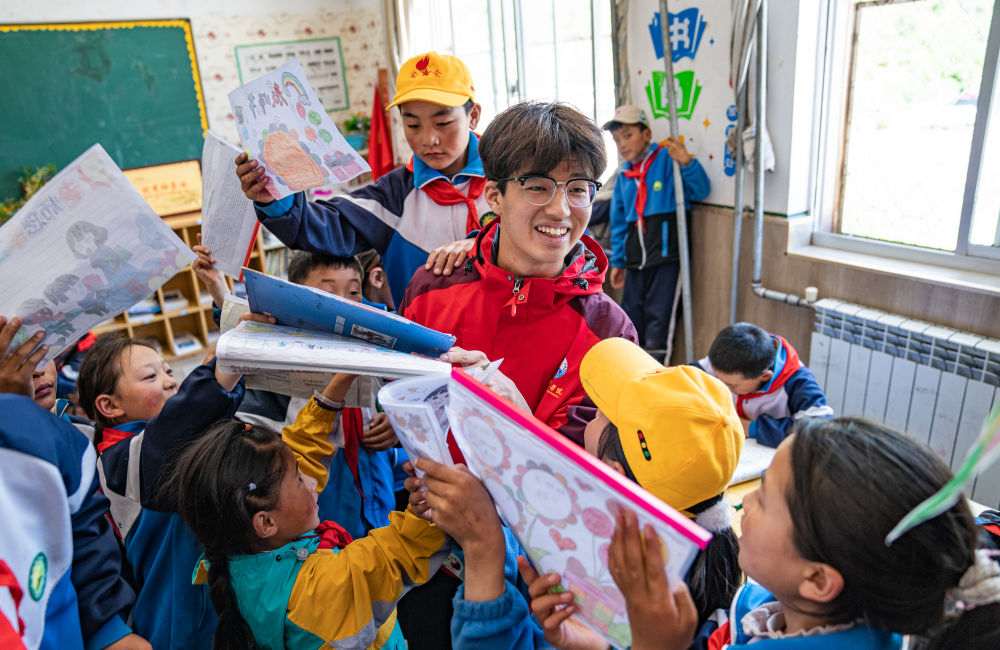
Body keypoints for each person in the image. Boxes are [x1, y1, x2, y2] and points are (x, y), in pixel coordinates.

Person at [404, 337, 745, 649]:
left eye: (600, 414)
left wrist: (482, 545)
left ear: (614, 474)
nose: (589, 416)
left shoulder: (608, 602)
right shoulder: (679, 559)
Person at [608, 417, 1000, 649]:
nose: (745, 503)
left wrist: (654, 645)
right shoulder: (794, 605)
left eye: (764, 498)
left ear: (817, 580)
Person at [400, 101, 638, 447]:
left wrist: (517, 416)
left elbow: (597, 468)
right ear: (495, 197)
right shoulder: (430, 289)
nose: (560, 210)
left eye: (577, 188)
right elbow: (405, 407)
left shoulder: (609, 333)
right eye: (537, 186)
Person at [167, 373, 450, 650]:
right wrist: (427, 505)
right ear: (265, 523)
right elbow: (400, 552)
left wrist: (337, 387)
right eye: (300, 480)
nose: (313, 481)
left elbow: (299, 455)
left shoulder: (244, 551)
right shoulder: (323, 587)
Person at [235, 51, 488, 307]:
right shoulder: (393, 196)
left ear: (473, 116)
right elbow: (319, 226)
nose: (428, 139)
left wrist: (484, 243)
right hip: (428, 332)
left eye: (443, 123)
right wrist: (275, 196)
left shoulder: (504, 181)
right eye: (413, 126)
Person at [193, 244, 403, 541]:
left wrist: (397, 424)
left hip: (376, 491)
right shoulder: (279, 357)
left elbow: (398, 395)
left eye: (354, 292)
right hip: (320, 505)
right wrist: (217, 288)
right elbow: (246, 332)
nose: (344, 304)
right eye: (327, 294)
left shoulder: (375, 337)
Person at [76, 333, 245, 650]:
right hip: (174, 629)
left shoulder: (159, 442)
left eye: (168, 371)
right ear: (110, 405)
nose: (170, 381)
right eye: (151, 376)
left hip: (213, 614)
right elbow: (182, 420)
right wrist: (232, 358)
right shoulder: (120, 461)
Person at [0, 316, 147, 650]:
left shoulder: (78, 438)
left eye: (39, 353)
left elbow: (84, 534)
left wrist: (109, 631)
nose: (35, 371)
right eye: (10, 359)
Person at [604, 105, 710, 362]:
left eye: (628, 135)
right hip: (635, 264)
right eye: (617, 139)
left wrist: (685, 162)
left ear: (647, 134)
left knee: (658, 323)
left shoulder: (666, 160)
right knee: (630, 319)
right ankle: (633, 373)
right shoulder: (624, 175)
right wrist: (619, 261)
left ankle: (656, 374)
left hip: (665, 260)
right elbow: (618, 223)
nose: (622, 144)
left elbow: (701, 190)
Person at [694, 322, 833, 447]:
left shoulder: (798, 382)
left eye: (732, 386)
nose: (725, 388)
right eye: (719, 380)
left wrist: (751, 428)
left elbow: (819, 431)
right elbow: (685, 378)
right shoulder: (726, 360)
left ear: (765, 376)